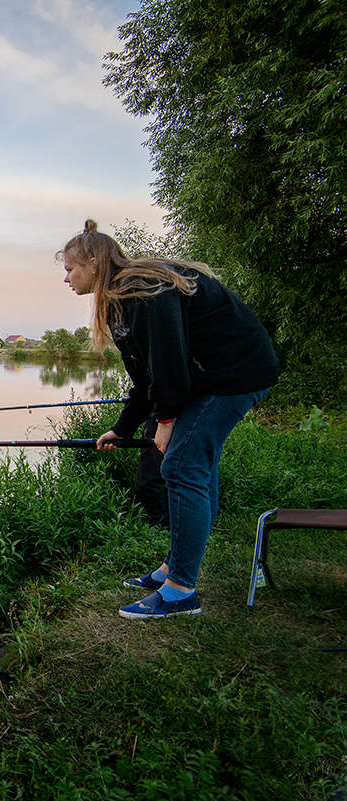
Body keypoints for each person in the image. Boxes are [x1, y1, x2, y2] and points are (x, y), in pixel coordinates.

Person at [59, 219, 278, 619]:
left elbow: (169, 361)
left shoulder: (145, 289)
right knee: (194, 463)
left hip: (237, 373)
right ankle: (173, 568)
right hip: (209, 379)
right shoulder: (119, 304)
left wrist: (166, 420)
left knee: (181, 464)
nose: (67, 278)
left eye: (70, 269)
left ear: (92, 261)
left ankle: (181, 591)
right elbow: (145, 377)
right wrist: (122, 428)